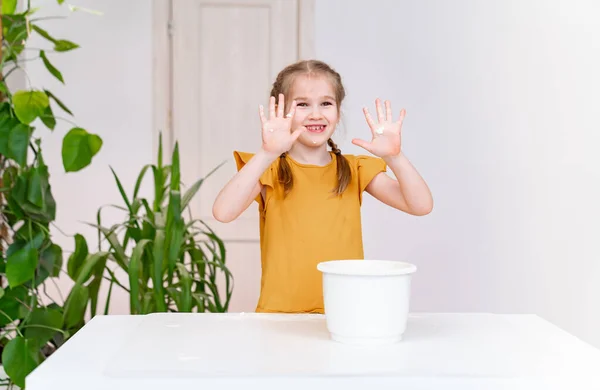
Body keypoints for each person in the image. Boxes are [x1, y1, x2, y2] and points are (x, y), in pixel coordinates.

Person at [212, 60, 433, 314]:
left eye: (326, 103)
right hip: (280, 319)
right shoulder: (268, 170)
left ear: (338, 112)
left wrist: (395, 157)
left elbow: (421, 205)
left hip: (344, 314)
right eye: (302, 104)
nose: (315, 114)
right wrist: (267, 152)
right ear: (283, 112)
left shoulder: (355, 169)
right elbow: (223, 212)